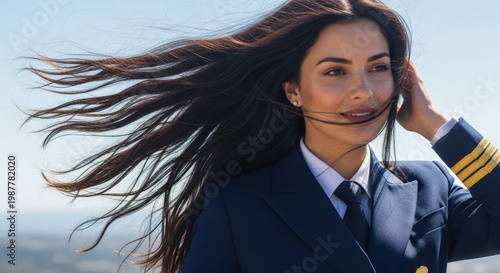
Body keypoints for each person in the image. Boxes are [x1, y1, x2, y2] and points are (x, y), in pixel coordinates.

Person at [25, 0, 500, 272]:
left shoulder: (428, 188)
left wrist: (438, 127)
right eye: (335, 71)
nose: (364, 91)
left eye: (378, 69)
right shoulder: (240, 205)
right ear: (294, 90)